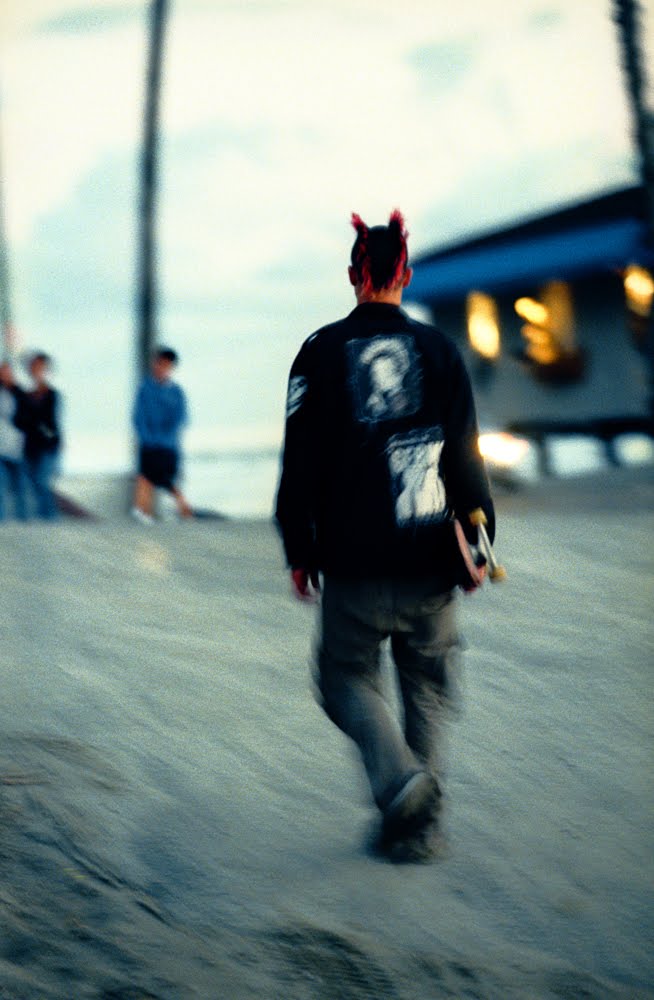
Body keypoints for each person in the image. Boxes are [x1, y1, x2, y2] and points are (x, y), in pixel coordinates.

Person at [275, 210, 496, 863]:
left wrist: (299, 549)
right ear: (406, 273)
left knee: (344, 677)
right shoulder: (440, 352)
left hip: (354, 562)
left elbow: (300, 464)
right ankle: (420, 829)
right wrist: (480, 545)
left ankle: (401, 785)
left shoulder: (318, 352)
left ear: (353, 275)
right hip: (431, 559)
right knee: (427, 685)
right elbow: (467, 460)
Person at [131, 347, 192, 523]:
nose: (161, 368)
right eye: (159, 363)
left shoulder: (177, 392)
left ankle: (186, 513)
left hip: (168, 446)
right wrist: (147, 438)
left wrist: (165, 438)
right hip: (148, 445)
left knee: (168, 482)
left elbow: (181, 419)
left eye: (166, 365)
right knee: (145, 478)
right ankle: (143, 514)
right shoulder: (145, 389)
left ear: (171, 367)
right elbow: (138, 417)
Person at [18, 352, 62, 520]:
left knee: (42, 481)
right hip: (30, 447)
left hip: (47, 447)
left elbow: (50, 423)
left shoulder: (52, 395)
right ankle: (43, 519)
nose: (37, 370)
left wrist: (39, 427)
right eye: (35, 367)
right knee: (33, 484)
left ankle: (50, 519)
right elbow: (21, 420)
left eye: (41, 367)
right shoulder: (26, 396)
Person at [0, 360, 28, 521]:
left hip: (17, 446)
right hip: (1, 446)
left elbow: (27, 419)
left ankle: (23, 520)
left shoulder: (20, 394)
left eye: (8, 372)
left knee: (20, 486)